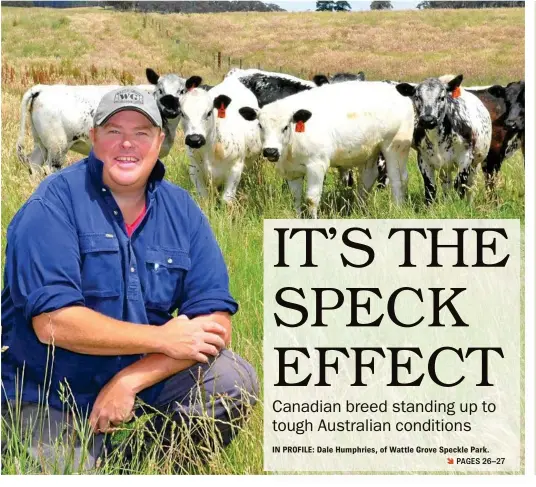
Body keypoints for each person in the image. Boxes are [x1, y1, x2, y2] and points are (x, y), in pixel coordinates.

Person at [1, 87, 259, 472]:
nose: (127, 144)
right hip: (48, 389)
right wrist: (161, 338)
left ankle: (136, 468)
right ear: (93, 139)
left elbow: (215, 323)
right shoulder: (51, 205)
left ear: (160, 140)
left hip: (134, 375)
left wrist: (129, 381)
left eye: (141, 132)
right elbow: (53, 323)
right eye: (113, 131)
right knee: (62, 473)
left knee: (233, 378)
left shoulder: (181, 210)